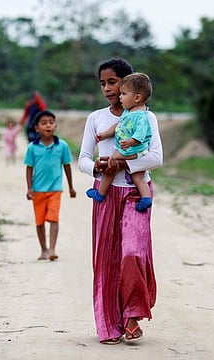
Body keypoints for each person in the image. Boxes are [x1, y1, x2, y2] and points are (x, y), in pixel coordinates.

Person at [78, 58, 163, 344]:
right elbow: (83, 160)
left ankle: (133, 314)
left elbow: (156, 157)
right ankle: (111, 326)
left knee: (132, 254)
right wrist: (99, 168)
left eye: (112, 82)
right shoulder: (96, 119)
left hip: (136, 193)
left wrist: (125, 165)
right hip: (105, 195)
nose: (107, 89)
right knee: (106, 261)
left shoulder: (146, 118)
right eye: (102, 83)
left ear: (130, 86)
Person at [86, 73, 153, 212]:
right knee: (137, 176)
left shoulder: (142, 116)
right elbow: (118, 126)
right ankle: (146, 198)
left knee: (110, 166)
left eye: (123, 94)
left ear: (137, 98)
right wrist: (105, 135)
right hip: (131, 150)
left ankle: (100, 193)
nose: (120, 97)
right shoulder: (128, 113)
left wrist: (130, 142)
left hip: (132, 150)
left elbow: (140, 134)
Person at [24, 110, 77, 261]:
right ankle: (44, 249)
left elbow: (67, 166)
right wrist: (29, 188)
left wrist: (71, 187)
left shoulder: (62, 146)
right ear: (36, 128)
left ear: (55, 125)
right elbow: (29, 168)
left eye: (51, 122)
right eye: (43, 123)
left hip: (55, 190)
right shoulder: (32, 147)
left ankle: (52, 249)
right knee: (39, 222)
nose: (48, 125)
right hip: (38, 190)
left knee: (54, 218)